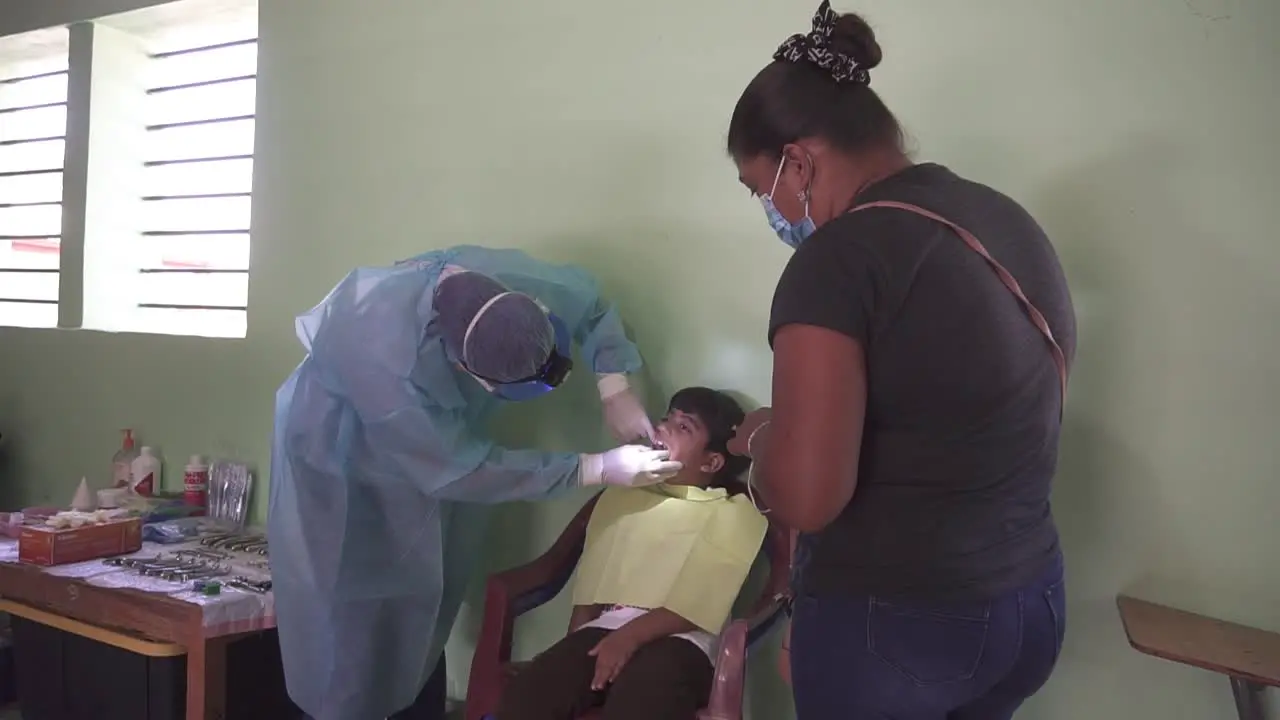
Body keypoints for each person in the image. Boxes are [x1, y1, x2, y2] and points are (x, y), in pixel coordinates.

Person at [722, 3, 1077, 719]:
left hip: (903, 627)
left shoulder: (839, 259)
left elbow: (807, 498)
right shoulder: (1002, 217)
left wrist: (763, 442)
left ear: (800, 159)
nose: (773, 208)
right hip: (1029, 601)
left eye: (763, 189)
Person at [268, 245, 684, 720]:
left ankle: (413, 703)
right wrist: (594, 468)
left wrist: (615, 388)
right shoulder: (386, 367)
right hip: (339, 461)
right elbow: (457, 470)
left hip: (433, 453)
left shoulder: (502, 282)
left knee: (423, 594)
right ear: (466, 370)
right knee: (351, 610)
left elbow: (589, 304)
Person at [496, 387, 766, 720]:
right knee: (532, 691)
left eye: (684, 427)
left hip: (684, 640)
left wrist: (629, 639)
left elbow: (699, 601)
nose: (663, 427)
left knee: (646, 695)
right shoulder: (624, 497)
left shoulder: (734, 512)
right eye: (667, 417)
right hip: (607, 628)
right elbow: (593, 581)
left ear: (711, 461)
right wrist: (575, 650)